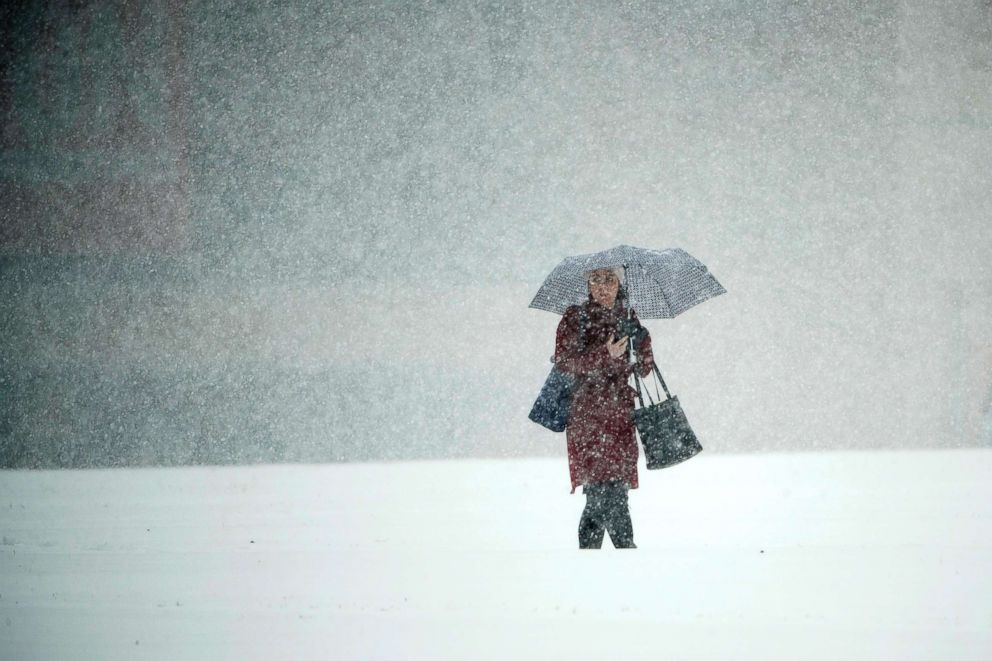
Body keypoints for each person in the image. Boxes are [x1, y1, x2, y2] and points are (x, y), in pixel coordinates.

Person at [554, 266, 655, 549]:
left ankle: (604, 558)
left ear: (619, 283)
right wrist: (604, 354)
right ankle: (623, 553)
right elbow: (565, 362)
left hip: (620, 415)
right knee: (599, 491)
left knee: (617, 488)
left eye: (609, 279)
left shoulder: (628, 315)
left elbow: (644, 369)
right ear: (587, 284)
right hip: (587, 415)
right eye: (596, 279)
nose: (603, 286)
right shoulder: (575, 317)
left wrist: (642, 343)